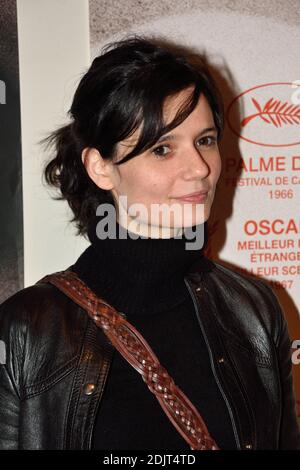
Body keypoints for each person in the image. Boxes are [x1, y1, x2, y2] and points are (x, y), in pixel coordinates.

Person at [0, 36, 299, 451]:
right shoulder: (25, 330)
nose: (199, 168)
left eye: (206, 140)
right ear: (101, 168)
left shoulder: (254, 309)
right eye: (162, 149)